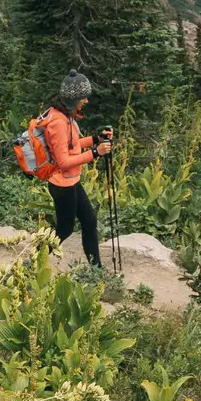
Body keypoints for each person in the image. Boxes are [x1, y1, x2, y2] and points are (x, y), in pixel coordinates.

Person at [43, 71, 114, 268]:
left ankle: (96, 270)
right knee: (64, 230)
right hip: (61, 184)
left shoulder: (66, 116)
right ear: (74, 98)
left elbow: (72, 145)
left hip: (70, 181)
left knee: (89, 221)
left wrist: (95, 139)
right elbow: (63, 160)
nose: (86, 101)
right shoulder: (58, 122)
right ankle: (33, 259)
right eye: (83, 97)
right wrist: (96, 152)